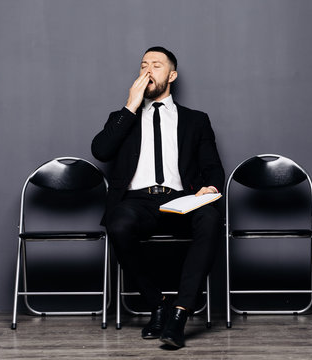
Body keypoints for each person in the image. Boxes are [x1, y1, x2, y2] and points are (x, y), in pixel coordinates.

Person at [91, 46, 224, 349]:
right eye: (143, 65)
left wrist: (211, 188)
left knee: (211, 218)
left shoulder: (196, 120)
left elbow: (213, 166)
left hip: (180, 200)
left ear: (172, 75)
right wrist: (130, 106)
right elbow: (101, 151)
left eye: (157, 65)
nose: (148, 70)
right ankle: (157, 304)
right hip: (137, 202)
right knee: (118, 223)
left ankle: (179, 313)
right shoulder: (123, 117)